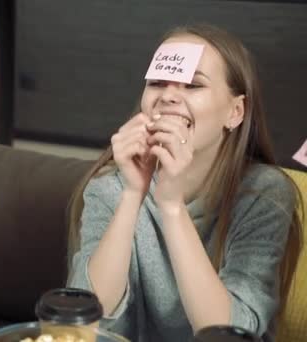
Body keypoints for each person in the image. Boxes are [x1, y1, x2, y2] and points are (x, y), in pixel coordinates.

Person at [67, 24, 303, 342]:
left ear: (235, 112)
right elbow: (86, 317)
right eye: (157, 82)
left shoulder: (265, 194)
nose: (168, 96)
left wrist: (172, 205)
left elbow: (229, 332)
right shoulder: (110, 187)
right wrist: (133, 194)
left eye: (192, 85)